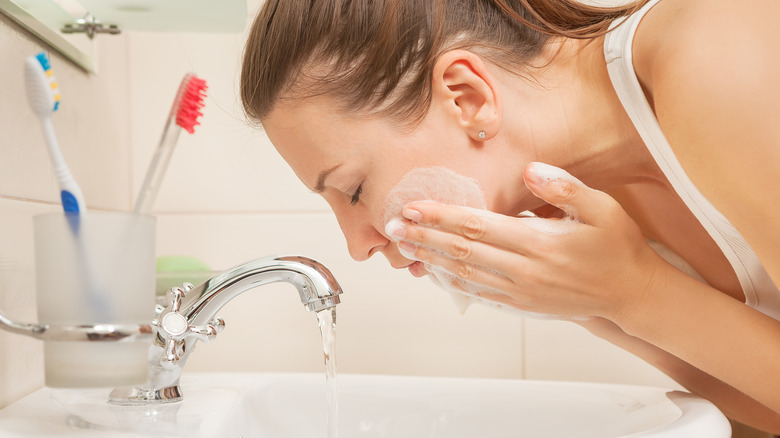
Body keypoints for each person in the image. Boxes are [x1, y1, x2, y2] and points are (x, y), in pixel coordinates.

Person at [240, 0, 780, 432]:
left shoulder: (712, 57)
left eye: (354, 189)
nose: (357, 246)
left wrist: (635, 293)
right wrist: (596, 306)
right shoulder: (575, 210)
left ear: (466, 97)